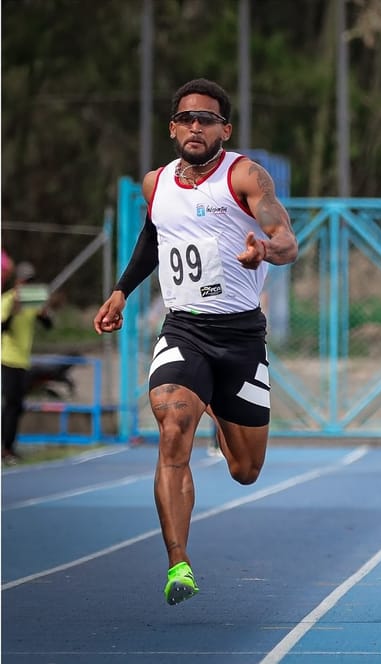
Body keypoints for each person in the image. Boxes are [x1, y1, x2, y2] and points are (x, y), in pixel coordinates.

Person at [93, 78, 298, 605]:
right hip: (185, 329)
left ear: (224, 130)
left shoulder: (244, 176)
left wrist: (265, 252)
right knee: (172, 429)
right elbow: (153, 238)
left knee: (245, 471)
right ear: (172, 128)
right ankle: (178, 564)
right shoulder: (155, 183)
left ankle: (215, 407)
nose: (195, 126)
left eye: (207, 119)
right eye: (186, 118)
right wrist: (120, 291)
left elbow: (287, 240)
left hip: (241, 336)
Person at [2, 262, 53, 465]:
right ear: (17, 282)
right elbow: (2, 328)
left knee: (17, 406)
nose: (28, 285)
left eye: (31, 282)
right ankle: (6, 448)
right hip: (7, 359)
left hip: (23, 361)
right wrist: (13, 311)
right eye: (25, 281)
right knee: (11, 405)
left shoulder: (33, 303)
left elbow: (48, 325)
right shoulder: (7, 301)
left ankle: (8, 447)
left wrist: (45, 313)